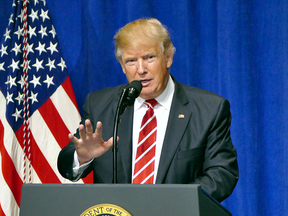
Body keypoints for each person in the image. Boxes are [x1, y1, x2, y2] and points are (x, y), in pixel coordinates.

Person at [57, 18, 238, 202]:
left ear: (168, 58)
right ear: (121, 65)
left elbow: (222, 173)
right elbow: (66, 166)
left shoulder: (209, 109)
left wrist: (175, 206)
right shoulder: (100, 105)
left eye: (149, 57)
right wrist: (81, 157)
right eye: (131, 61)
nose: (141, 69)